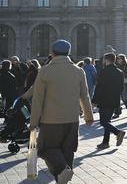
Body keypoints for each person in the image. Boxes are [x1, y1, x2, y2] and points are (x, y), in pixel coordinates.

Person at [26, 40, 94, 184]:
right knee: (67, 150)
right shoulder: (78, 71)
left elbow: (38, 99)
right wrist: (89, 115)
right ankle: (63, 178)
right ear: (68, 52)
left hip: (50, 120)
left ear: (52, 52)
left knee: (45, 148)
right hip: (72, 119)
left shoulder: (45, 71)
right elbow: (85, 95)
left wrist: (33, 122)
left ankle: (63, 171)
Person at [93, 53, 126, 150]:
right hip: (114, 99)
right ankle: (105, 142)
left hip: (104, 99)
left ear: (106, 60)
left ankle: (118, 132)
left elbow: (100, 87)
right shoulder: (119, 71)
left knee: (103, 122)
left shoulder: (104, 71)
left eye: (104, 59)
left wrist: (94, 100)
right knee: (107, 121)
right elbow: (121, 87)